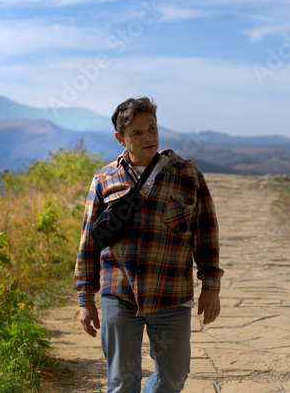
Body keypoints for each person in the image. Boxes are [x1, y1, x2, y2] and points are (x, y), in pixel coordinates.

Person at [74, 96, 223, 393]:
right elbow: (89, 241)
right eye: (138, 133)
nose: (149, 137)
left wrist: (211, 286)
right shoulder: (104, 180)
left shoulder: (187, 175)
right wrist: (85, 299)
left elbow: (206, 233)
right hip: (119, 291)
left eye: (152, 129)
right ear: (121, 139)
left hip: (171, 292)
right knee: (121, 380)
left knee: (174, 376)